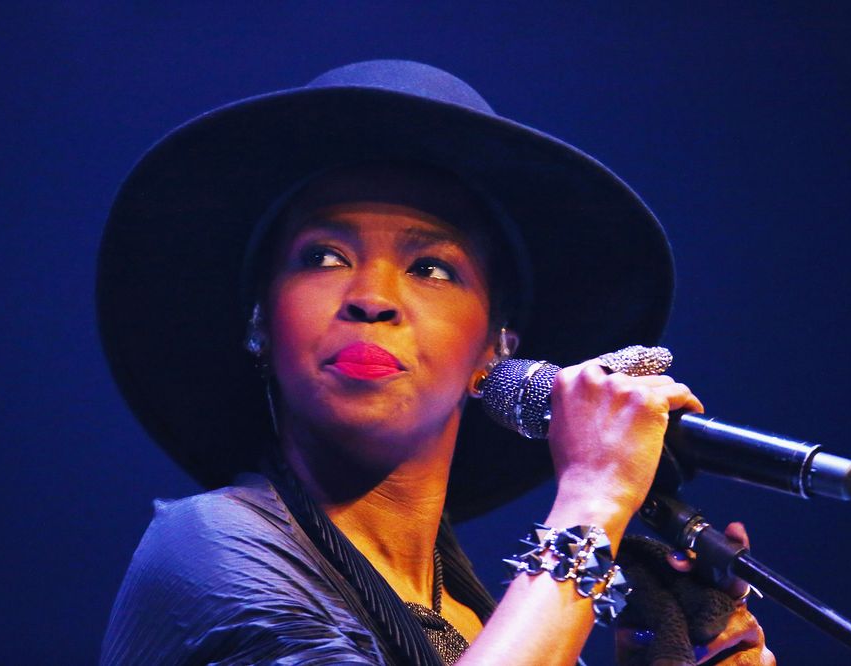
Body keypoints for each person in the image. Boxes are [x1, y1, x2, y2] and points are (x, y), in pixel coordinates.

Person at [98, 60, 774, 665]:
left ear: (495, 346)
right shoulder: (206, 548)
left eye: (430, 268)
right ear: (260, 323)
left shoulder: (477, 622)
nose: (370, 299)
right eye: (324, 258)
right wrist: (594, 499)